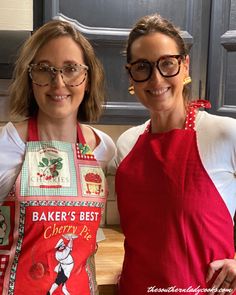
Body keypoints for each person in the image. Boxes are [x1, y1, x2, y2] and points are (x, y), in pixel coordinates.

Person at [115, 13, 236, 295]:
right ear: (131, 75)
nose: (156, 78)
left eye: (167, 63)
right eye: (143, 66)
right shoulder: (125, 145)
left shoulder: (225, 134)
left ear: (184, 66)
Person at [0, 20, 116, 294]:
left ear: (87, 79)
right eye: (44, 69)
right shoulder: (7, 146)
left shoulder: (102, 148)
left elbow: (87, 234)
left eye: (71, 69)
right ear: (31, 79)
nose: (58, 82)